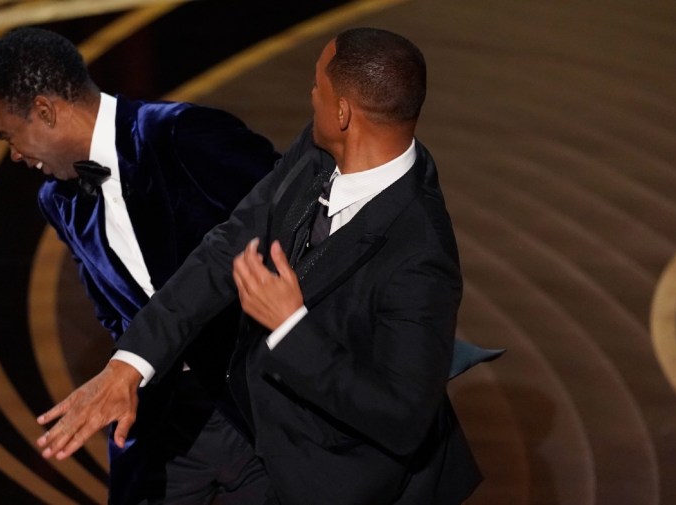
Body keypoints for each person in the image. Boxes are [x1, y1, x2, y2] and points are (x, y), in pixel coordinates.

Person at [35, 27, 486, 504]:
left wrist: (290, 326)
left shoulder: (421, 252)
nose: (310, 93)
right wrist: (130, 365)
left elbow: (400, 417)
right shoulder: (318, 152)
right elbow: (225, 246)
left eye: (318, 85)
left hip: (348, 486)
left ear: (343, 112)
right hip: (268, 448)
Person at [0, 27, 279, 505]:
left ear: (46, 112)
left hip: (262, 413)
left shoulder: (181, 133)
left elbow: (298, 222)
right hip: (168, 431)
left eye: (9, 135)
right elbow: (114, 314)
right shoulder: (58, 200)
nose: (13, 154)